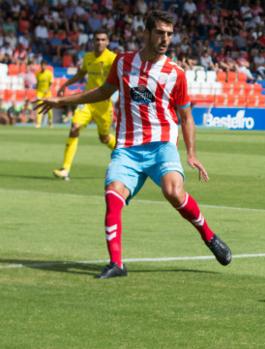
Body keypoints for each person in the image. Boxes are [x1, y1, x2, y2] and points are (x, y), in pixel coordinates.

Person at [35, 10, 232, 279]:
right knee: (113, 194)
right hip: (127, 147)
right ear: (146, 33)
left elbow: (186, 117)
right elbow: (104, 92)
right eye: (160, 33)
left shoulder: (175, 74)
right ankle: (117, 264)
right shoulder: (123, 62)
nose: (165, 39)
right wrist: (63, 101)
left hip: (161, 144)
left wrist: (192, 154)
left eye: (169, 34)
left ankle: (208, 236)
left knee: (173, 191)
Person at [52, 30, 117, 180]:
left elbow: (121, 76)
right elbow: (80, 74)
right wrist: (65, 85)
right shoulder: (88, 57)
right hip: (87, 101)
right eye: (97, 39)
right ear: (93, 41)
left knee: (105, 138)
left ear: (107, 42)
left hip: (104, 104)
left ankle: (124, 152)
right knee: (74, 127)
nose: (100, 42)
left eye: (103, 40)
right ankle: (65, 169)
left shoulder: (112, 59)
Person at [35, 61, 54, 128]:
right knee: (39, 108)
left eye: (44, 65)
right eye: (42, 65)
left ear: (46, 66)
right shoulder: (38, 74)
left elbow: (51, 83)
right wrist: (36, 92)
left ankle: (50, 121)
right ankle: (38, 124)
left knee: (49, 109)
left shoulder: (49, 73)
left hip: (47, 93)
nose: (43, 67)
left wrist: (48, 89)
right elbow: (37, 83)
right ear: (40, 66)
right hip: (40, 93)